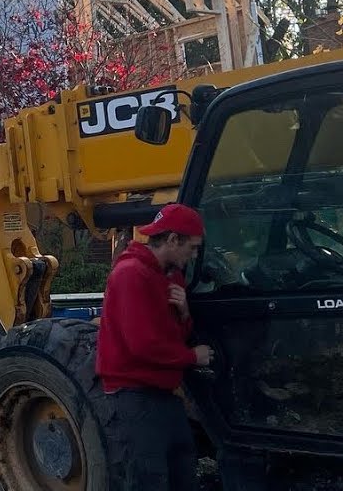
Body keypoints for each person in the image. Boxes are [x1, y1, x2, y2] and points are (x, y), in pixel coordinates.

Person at [96, 203, 213, 490]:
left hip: (163, 392)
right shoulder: (131, 274)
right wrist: (191, 358)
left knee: (183, 469)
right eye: (193, 247)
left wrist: (184, 312)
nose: (194, 255)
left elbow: (173, 333)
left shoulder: (169, 276)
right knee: (149, 478)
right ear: (173, 240)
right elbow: (143, 345)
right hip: (134, 395)